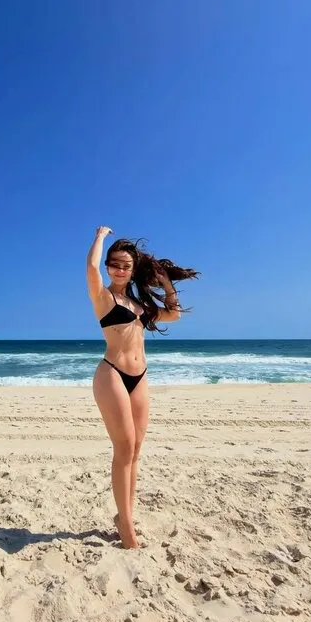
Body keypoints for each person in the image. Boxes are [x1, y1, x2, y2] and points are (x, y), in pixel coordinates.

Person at [86, 226, 200, 548]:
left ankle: (126, 514)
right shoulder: (104, 297)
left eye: (126, 265)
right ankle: (126, 524)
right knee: (123, 448)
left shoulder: (138, 303)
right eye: (115, 264)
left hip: (140, 377)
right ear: (108, 266)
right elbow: (91, 268)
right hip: (112, 374)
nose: (120, 270)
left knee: (135, 450)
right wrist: (100, 237)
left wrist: (166, 284)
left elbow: (174, 315)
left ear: (133, 269)